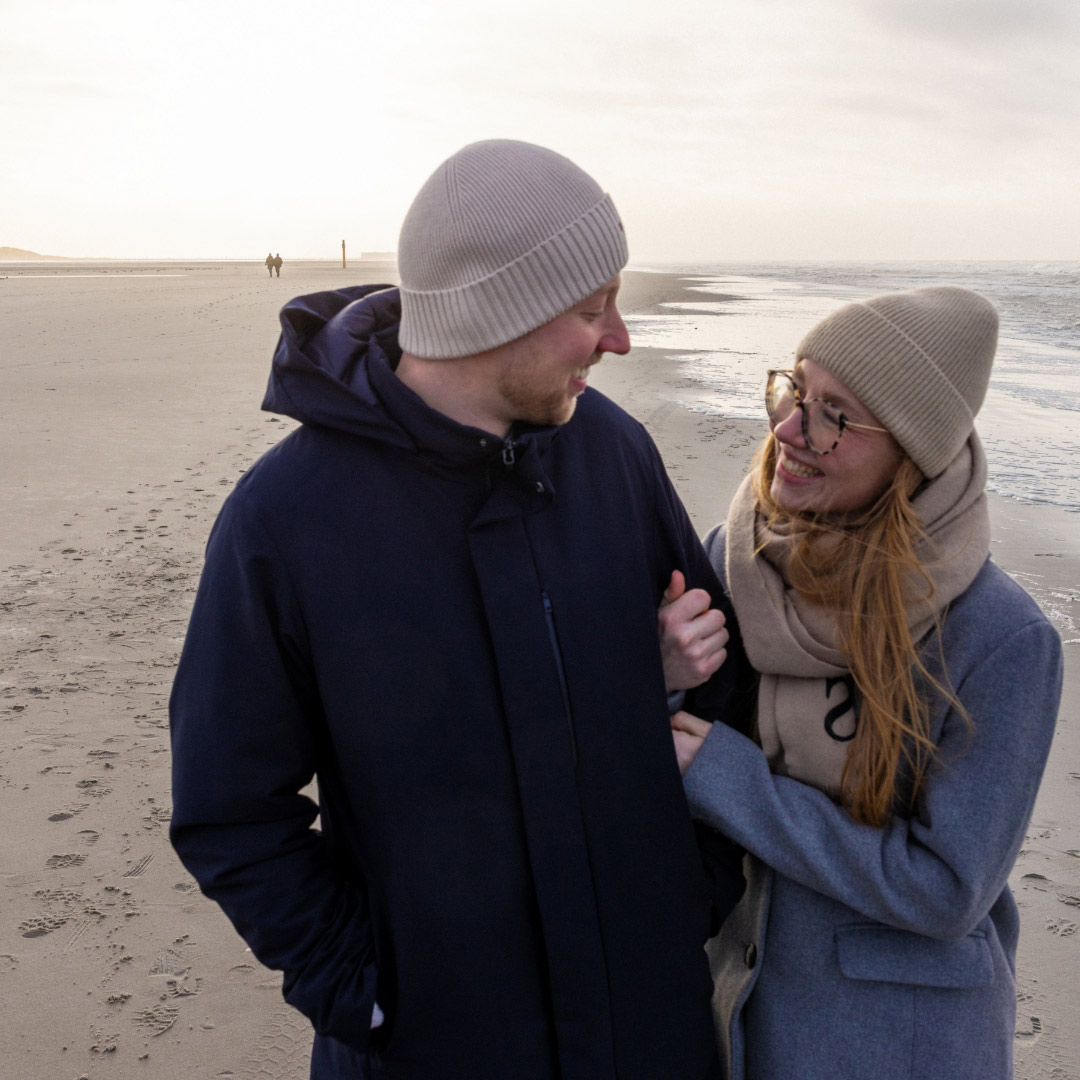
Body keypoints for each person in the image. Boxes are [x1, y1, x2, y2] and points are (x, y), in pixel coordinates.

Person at [170, 139, 752, 1080]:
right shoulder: (286, 518)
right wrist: (365, 992)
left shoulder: (613, 452)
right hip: (434, 1048)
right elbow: (228, 808)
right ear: (495, 314)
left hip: (649, 1031)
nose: (619, 339)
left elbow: (727, 687)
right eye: (592, 308)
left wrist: (692, 895)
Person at [665, 286, 1063, 1079]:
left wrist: (734, 785)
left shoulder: (1001, 638)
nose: (788, 429)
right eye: (796, 391)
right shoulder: (734, 560)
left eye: (835, 416)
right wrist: (665, 677)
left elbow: (947, 891)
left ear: (910, 452)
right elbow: (667, 743)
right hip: (738, 1010)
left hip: (898, 1040)